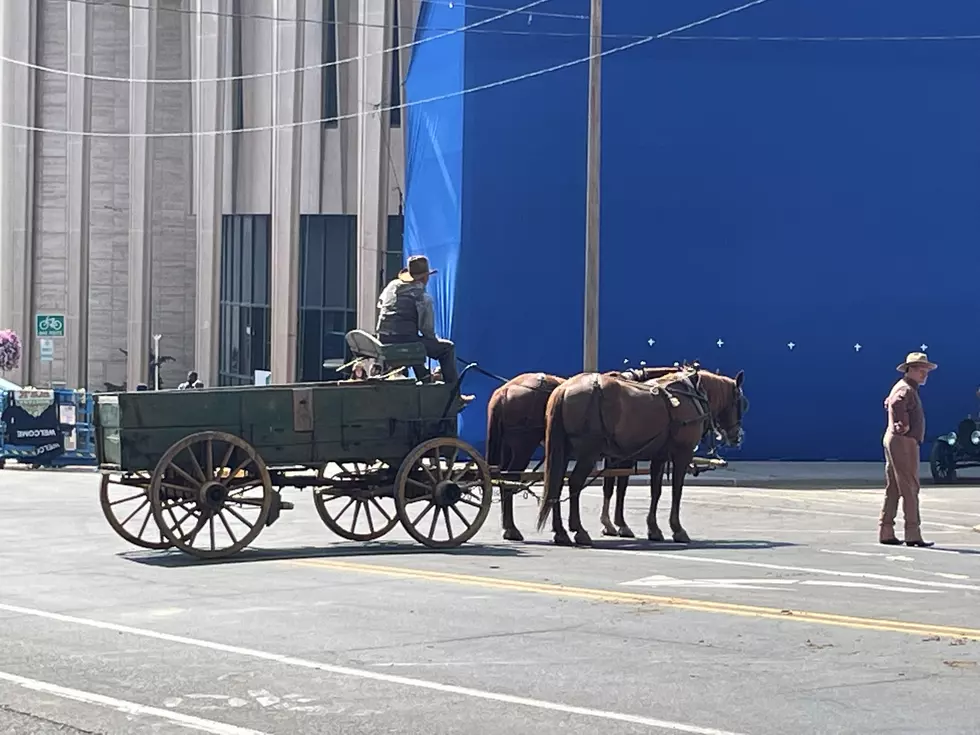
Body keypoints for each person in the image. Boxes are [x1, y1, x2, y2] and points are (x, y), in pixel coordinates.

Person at [376, 255, 473, 403]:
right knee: (447, 349)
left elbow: (381, 306)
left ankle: (426, 379)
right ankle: (455, 397)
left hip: (383, 340)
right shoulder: (422, 297)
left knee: (416, 344)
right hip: (406, 342)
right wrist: (436, 341)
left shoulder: (392, 286)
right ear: (424, 278)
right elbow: (427, 331)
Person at [879, 351, 936, 548]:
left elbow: (892, 402)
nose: (924, 374)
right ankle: (913, 533)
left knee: (894, 487)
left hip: (897, 439)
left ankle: (886, 529)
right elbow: (895, 403)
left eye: (926, 370)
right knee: (910, 487)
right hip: (903, 441)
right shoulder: (906, 389)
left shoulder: (904, 387)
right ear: (910, 370)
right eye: (921, 370)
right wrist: (902, 424)